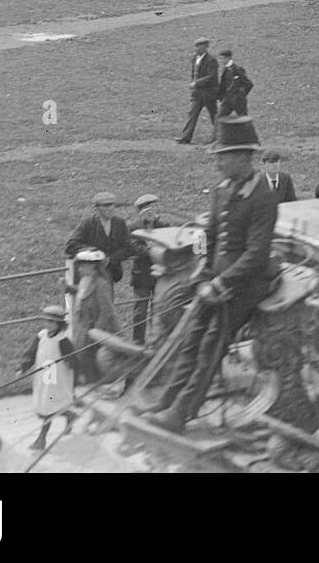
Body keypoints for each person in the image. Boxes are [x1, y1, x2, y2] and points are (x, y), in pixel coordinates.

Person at [145, 116, 280, 434]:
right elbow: (211, 239)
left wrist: (220, 283)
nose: (217, 162)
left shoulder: (263, 197)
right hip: (215, 281)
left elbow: (256, 254)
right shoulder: (222, 190)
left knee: (212, 345)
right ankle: (167, 400)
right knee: (191, 339)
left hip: (248, 283)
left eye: (223, 156)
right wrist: (203, 278)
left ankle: (181, 413)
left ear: (244, 157)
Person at [18, 305, 76, 451]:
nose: (48, 325)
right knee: (49, 404)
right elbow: (31, 353)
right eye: (46, 321)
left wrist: (74, 368)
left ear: (59, 324)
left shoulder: (63, 340)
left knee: (47, 408)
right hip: (43, 376)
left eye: (52, 322)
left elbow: (73, 359)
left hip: (57, 379)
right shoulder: (41, 336)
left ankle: (41, 439)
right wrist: (23, 367)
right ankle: (70, 415)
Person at [64, 192, 131, 304]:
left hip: (108, 271)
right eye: (106, 206)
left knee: (106, 303)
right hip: (87, 272)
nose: (110, 208)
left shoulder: (119, 223)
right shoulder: (88, 223)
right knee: (86, 303)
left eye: (112, 205)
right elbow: (71, 245)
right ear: (96, 208)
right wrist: (92, 252)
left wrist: (111, 259)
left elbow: (128, 248)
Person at [68, 250, 119, 385]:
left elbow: (107, 310)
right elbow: (82, 291)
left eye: (83, 266)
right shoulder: (86, 280)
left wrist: (97, 332)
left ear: (93, 266)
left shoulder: (101, 284)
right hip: (85, 326)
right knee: (84, 357)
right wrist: (68, 288)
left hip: (97, 328)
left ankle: (99, 385)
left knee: (95, 359)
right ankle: (91, 384)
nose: (79, 269)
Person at [129, 194, 168, 344]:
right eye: (147, 210)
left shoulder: (164, 226)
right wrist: (150, 250)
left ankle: (155, 340)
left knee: (158, 309)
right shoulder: (133, 227)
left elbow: (170, 241)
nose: (151, 213)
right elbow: (132, 246)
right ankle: (138, 341)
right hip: (142, 275)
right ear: (141, 212)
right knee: (140, 311)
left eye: (153, 208)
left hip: (160, 275)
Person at [176, 36, 219, 144]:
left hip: (208, 93)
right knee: (192, 114)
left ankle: (220, 137)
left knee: (214, 115)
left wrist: (196, 83)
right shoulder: (194, 58)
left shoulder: (211, 60)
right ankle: (186, 137)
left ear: (205, 47)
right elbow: (194, 74)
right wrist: (194, 85)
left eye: (199, 47)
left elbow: (212, 77)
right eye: (196, 46)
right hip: (197, 93)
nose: (197, 49)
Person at [216, 49, 254, 116]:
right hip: (227, 100)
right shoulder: (226, 69)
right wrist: (220, 98)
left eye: (222, 59)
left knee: (243, 120)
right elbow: (223, 85)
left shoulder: (237, 69)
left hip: (238, 101)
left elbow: (249, 84)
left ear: (228, 58)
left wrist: (241, 94)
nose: (220, 61)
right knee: (219, 118)